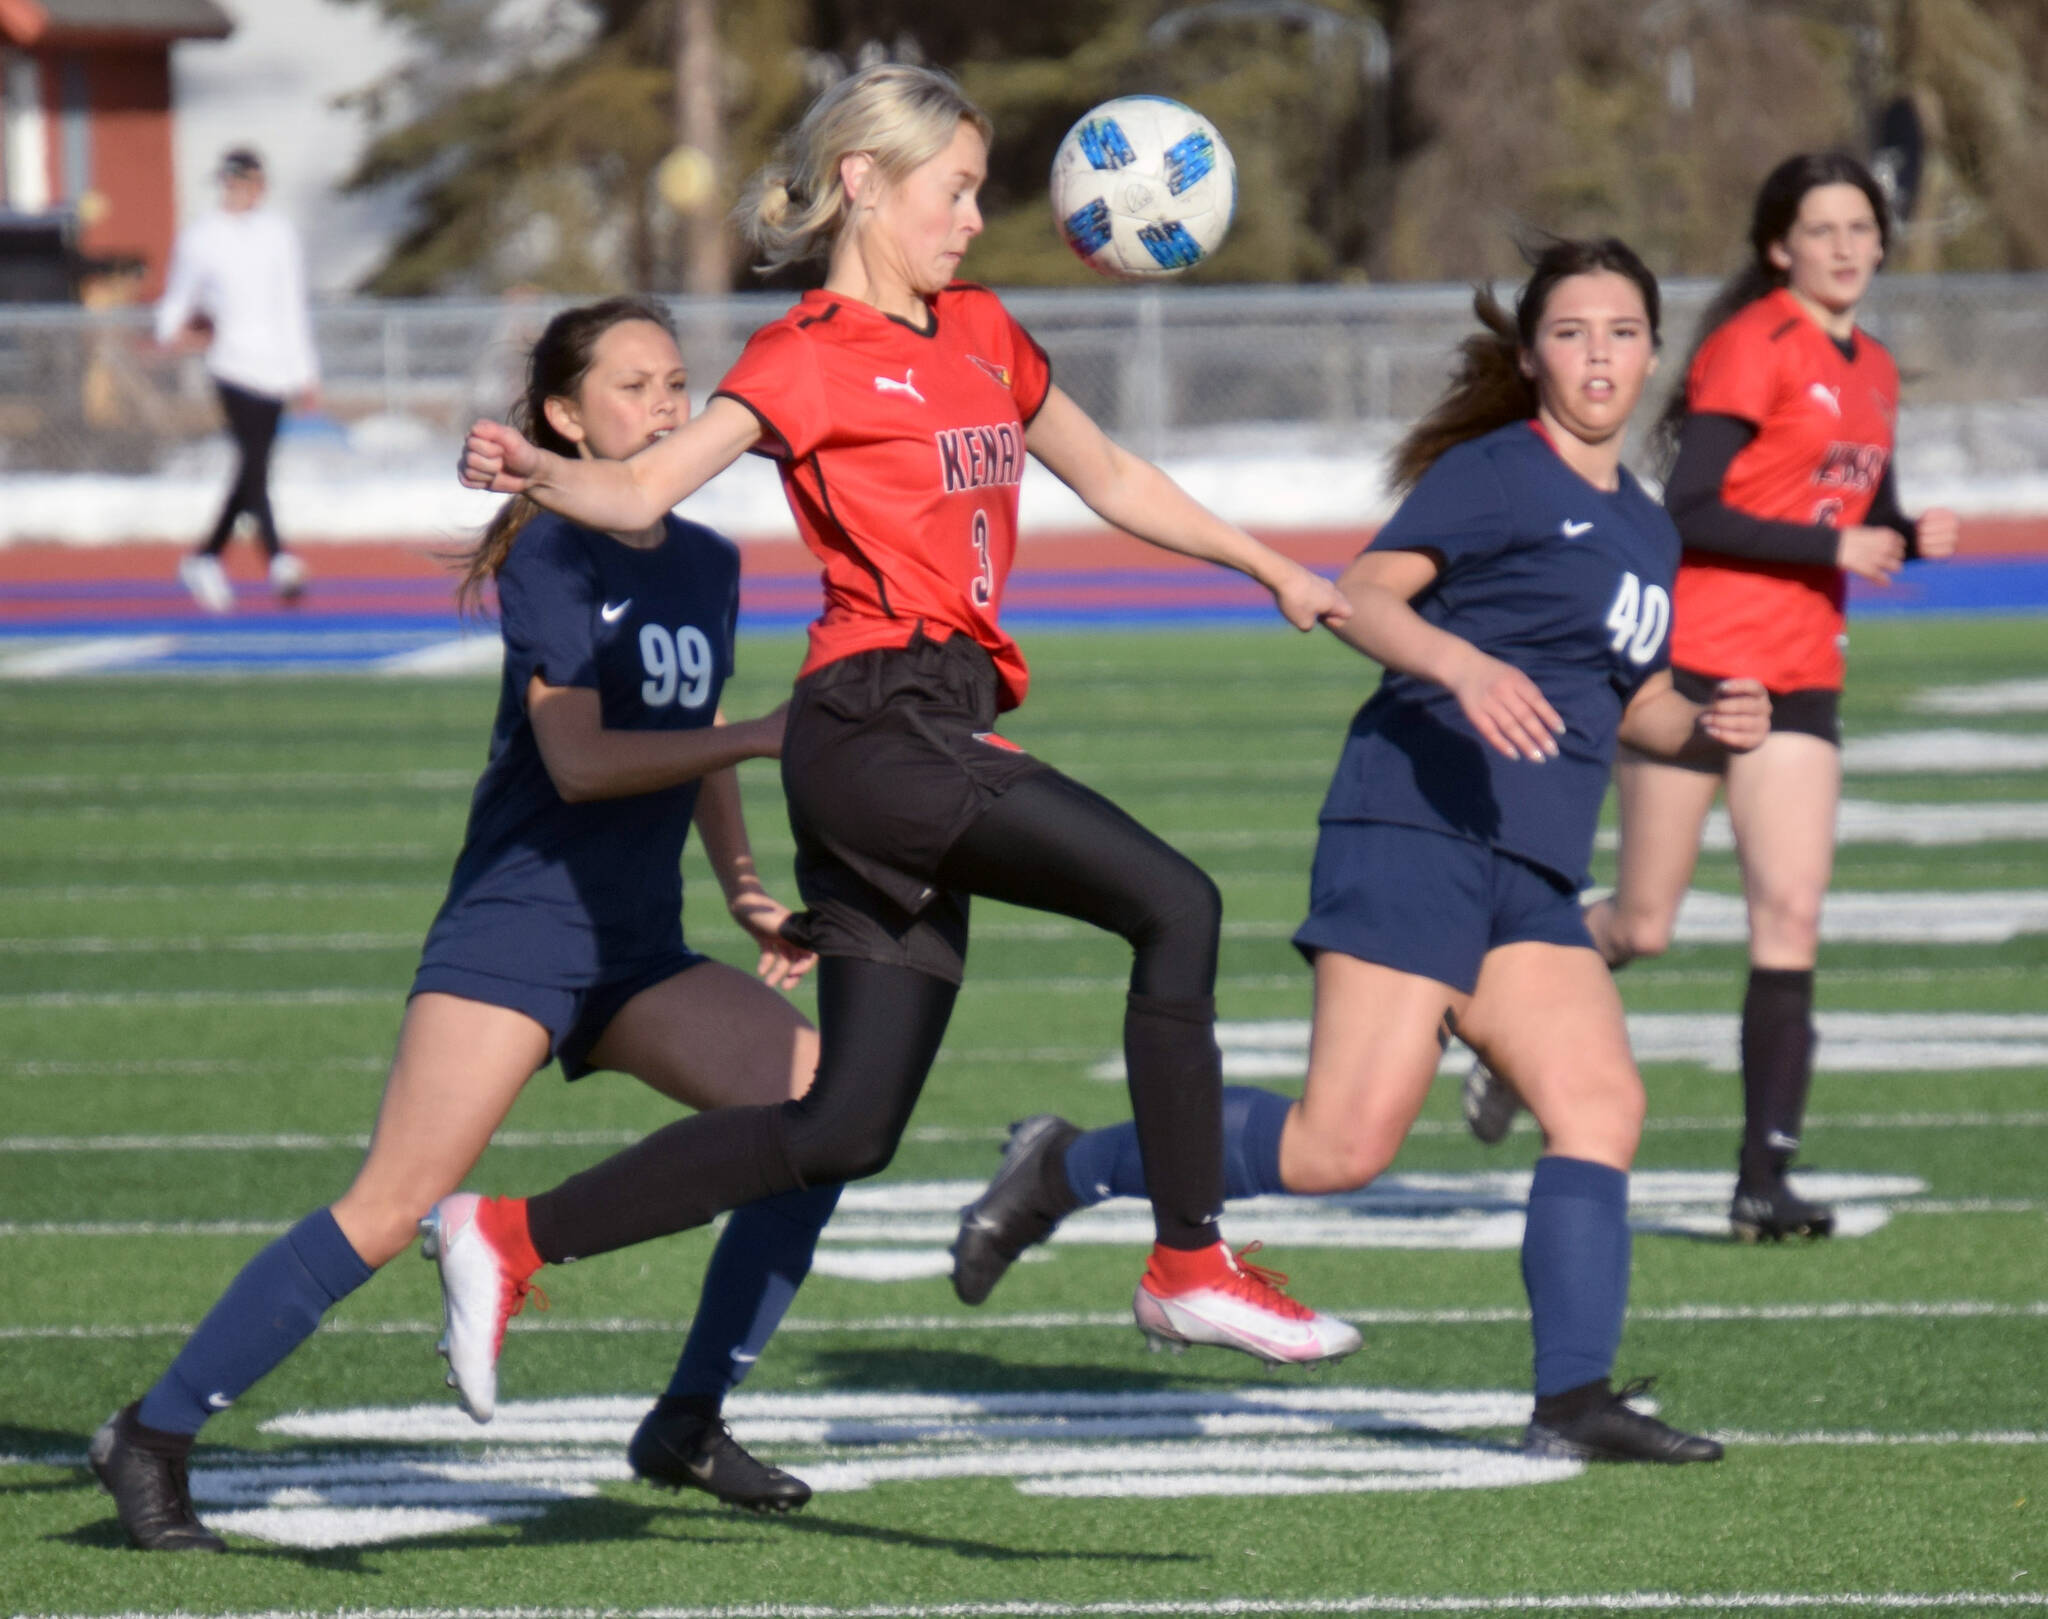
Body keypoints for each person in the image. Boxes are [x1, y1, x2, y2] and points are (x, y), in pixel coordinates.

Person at [439, 62, 1362, 1403]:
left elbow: (1108, 475)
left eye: (982, 191)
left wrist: (1267, 563)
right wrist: (539, 467)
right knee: (1178, 901)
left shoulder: (981, 329)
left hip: (908, 739)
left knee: (842, 1125)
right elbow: (640, 478)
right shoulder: (804, 354)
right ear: (864, 183)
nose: (976, 218)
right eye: (957, 189)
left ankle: (510, 1231)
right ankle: (1188, 1259)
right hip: (877, 727)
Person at [952, 238, 1767, 1464]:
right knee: (1340, 1146)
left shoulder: (1645, 531)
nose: (1597, 355)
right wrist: (1461, 660)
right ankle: (1066, 1162)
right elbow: (1361, 594)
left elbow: (1634, 705)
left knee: (1599, 1103)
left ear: (1653, 352)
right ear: (1532, 355)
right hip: (1413, 824)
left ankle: (1572, 1400)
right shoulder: (1495, 474)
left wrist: (1709, 726)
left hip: (1526, 866)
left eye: (1619, 332)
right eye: (1570, 332)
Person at [90, 297, 836, 1552]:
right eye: (634, 387)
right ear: (562, 416)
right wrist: (768, 730)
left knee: (827, 1114)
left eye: (676, 384)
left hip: (637, 944)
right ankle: (152, 1436)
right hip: (523, 928)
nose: (666, 406)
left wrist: (747, 885)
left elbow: (689, 740)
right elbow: (588, 761)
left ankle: (688, 1417)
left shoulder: (707, 558)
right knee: (393, 1205)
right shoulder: (550, 550)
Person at [1461, 155, 1959, 1243]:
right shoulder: (1749, 345)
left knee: (1789, 915)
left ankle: (1759, 1177)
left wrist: (1905, 532)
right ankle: (1501, 1012)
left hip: (1803, 672)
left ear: (1879, 243)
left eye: (1857, 228)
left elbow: (1860, 493)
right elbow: (1692, 505)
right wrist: (1837, 540)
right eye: (1819, 230)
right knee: (1642, 922)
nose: (1842, 246)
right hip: (1696, 668)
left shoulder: (1868, 360)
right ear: (1777, 246)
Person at [154, 147, 320, 612]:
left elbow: (291, 306)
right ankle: (278, 558)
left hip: (274, 368)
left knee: (255, 465)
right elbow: (176, 300)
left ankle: (207, 556)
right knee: (254, 460)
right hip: (231, 364)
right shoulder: (203, 237)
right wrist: (175, 332)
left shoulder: (277, 234)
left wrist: (305, 372)